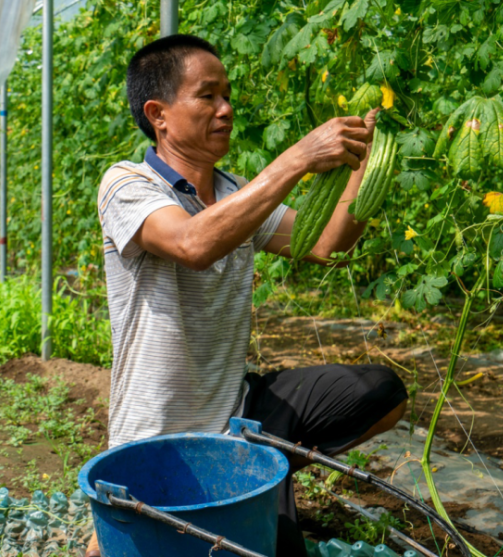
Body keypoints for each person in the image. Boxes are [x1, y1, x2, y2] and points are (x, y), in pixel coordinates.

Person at [85, 34, 408, 557]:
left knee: (379, 392)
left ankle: (259, 472)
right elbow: (194, 243)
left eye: (227, 95)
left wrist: (363, 166)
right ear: (158, 114)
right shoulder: (127, 184)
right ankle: (128, 529)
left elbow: (327, 245)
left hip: (239, 416)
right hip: (156, 436)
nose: (226, 109)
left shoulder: (237, 193)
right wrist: (298, 158)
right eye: (208, 96)